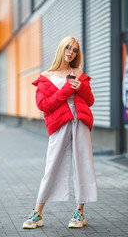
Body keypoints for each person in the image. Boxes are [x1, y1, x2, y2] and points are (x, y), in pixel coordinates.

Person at [22, 36, 98, 229]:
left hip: (80, 121)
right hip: (59, 123)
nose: (71, 52)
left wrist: (80, 87)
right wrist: (66, 89)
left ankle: (79, 212)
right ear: (61, 49)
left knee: (83, 164)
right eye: (68, 48)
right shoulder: (46, 76)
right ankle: (37, 212)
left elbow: (89, 100)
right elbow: (44, 105)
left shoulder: (78, 72)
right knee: (52, 165)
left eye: (74, 50)